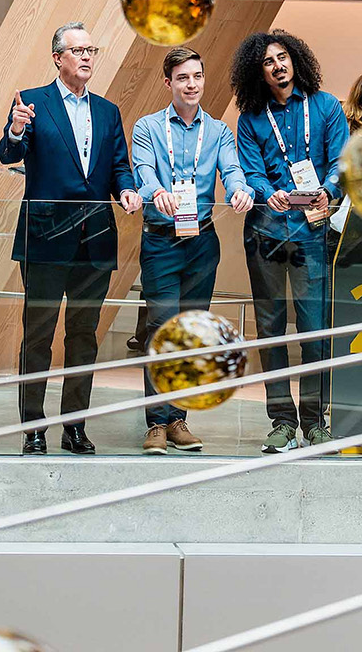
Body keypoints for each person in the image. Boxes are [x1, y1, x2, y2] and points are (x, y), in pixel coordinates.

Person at [0, 21, 143, 456]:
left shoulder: (107, 111)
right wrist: (17, 130)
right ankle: (34, 428)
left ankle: (74, 426)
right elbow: (9, 155)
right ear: (58, 58)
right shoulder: (32, 102)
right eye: (77, 50)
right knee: (37, 336)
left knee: (84, 337)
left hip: (95, 239)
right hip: (45, 238)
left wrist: (127, 190)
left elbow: (119, 165)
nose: (86, 57)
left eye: (91, 50)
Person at [131, 46, 253, 455]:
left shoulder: (218, 131)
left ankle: (179, 419)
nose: (192, 84)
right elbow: (143, 172)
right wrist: (157, 191)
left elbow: (233, 170)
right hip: (161, 241)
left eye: (197, 76)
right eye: (183, 78)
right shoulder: (147, 127)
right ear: (169, 83)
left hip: (202, 242)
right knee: (160, 329)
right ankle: (156, 422)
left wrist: (240, 190)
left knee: (190, 333)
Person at [232, 29, 349, 451]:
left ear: (296, 60)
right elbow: (252, 171)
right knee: (270, 329)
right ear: (258, 73)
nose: (278, 65)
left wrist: (329, 190)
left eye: (282, 57)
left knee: (315, 330)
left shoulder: (325, 105)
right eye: (268, 61)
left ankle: (316, 421)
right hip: (266, 231)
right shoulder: (250, 118)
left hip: (313, 232)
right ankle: (281, 421)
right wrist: (268, 192)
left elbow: (340, 160)